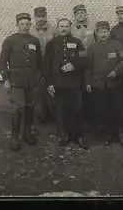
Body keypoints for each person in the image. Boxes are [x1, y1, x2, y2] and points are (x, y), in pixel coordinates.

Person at [0, 12, 41, 151]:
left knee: (30, 106)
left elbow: (39, 61)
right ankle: (15, 136)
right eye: (22, 24)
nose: (25, 26)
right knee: (18, 108)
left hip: (31, 80)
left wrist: (38, 76)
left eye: (27, 24)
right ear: (17, 25)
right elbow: (3, 61)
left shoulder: (34, 40)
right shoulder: (10, 40)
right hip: (16, 80)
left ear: (30, 25)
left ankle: (27, 133)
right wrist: (5, 79)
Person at [43, 18, 88, 149]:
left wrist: (74, 65)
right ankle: (64, 135)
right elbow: (46, 65)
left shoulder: (77, 42)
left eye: (66, 26)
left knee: (77, 110)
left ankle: (78, 136)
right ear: (57, 28)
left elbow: (84, 59)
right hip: (58, 83)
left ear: (70, 28)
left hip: (74, 83)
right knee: (61, 111)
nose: (63, 29)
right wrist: (49, 83)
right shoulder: (51, 44)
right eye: (61, 26)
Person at [85, 21, 123, 149]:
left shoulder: (117, 44)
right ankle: (108, 134)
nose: (103, 34)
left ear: (109, 32)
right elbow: (88, 67)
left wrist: (116, 72)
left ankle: (121, 135)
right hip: (99, 84)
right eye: (100, 32)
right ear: (97, 33)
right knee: (103, 110)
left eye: (105, 31)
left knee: (118, 109)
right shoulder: (92, 47)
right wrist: (88, 82)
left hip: (114, 83)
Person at [29, 6, 56, 124]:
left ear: (46, 16)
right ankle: (39, 116)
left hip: (49, 63)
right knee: (38, 91)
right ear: (35, 18)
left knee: (50, 89)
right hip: (36, 64)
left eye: (43, 16)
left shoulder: (53, 30)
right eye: (38, 17)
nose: (41, 19)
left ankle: (51, 114)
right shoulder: (30, 31)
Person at [71, 4, 96, 124]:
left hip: (90, 60)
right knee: (78, 87)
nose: (81, 15)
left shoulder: (93, 27)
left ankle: (90, 115)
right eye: (78, 13)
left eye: (83, 13)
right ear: (74, 16)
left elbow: (96, 42)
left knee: (90, 86)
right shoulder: (71, 29)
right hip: (76, 61)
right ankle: (78, 116)